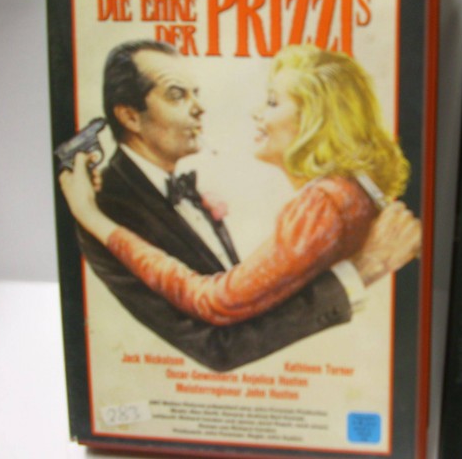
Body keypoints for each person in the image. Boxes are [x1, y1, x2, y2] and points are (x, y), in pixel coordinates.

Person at [64, 40, 419, 371]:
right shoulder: (114, 202)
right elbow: (220, 338)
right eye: (177, 95)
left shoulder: (323, 202)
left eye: (272, 102)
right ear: (130, 117)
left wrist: (90, 215)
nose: (200, 107)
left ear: (315, 119)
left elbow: (217, 303)